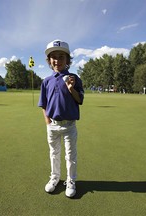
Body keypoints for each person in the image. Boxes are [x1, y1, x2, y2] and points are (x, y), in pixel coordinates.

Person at [38, 39, 84, 198]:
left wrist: (71, 89)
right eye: (54, 57)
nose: (57, 60)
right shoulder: (46, 81)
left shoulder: (74, 78)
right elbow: (43, 104)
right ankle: (55, 178)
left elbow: (80, 100)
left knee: (70, 155)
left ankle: (71, 181)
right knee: (54, 153)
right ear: (49, 61)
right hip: (52, 126)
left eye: (61, 57)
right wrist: (47, 122)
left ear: (68, 60)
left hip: (69, 126)